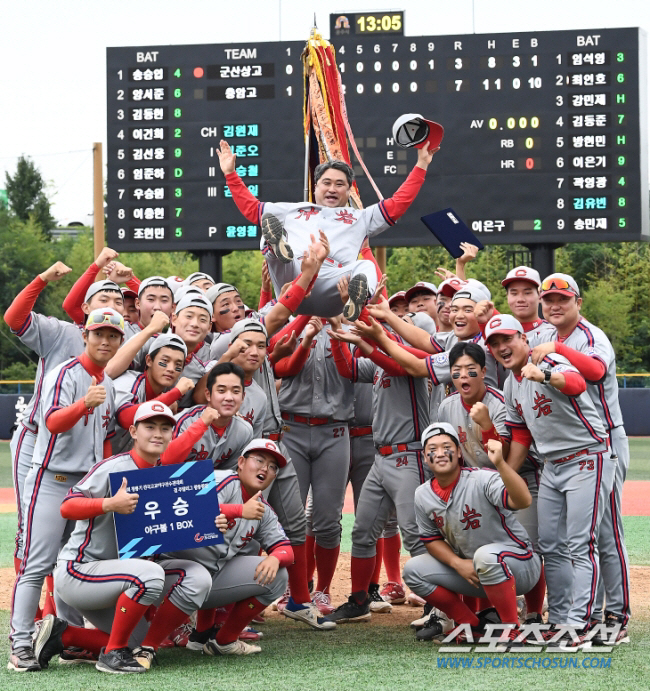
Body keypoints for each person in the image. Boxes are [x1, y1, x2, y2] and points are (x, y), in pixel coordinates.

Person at [34, 401, 213, 674]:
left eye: (165, 428)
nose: (157, 433)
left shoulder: (164, 476)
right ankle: (113, 655)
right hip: (81, 572)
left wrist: (213, 521)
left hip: (124, 576)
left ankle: (65, 635)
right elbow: (67, 506)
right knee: (149, 575)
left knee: (195, 578)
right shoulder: (114, 468)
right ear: (133, 431)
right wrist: (109, 504)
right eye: (149, 426)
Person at [485, 313, 616, 643]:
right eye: (495, 343)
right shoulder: (510, 383)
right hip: (551, 466)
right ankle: (558, 620)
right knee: (551, 546)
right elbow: (520, 435)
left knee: (580, 544)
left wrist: (544, 375)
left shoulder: (549, 358)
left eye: (508, 339)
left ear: (523, 339)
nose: (502, 347)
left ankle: (580, 622)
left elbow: (577, 384)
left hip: (587, 455)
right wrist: (503, 474)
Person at [8, 308, 124, 671]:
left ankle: (69, 635)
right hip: (51, 481)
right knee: (37, 563)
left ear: (120, 341)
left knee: (73, 563)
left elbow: (106, 440)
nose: (105, 341)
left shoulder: (110, 384)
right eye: (98, 334)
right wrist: (82, 405)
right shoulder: (65, 373)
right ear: (85, 336)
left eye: (112, 336)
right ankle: (20, 644)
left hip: (83, 485)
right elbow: (53, 421)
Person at [216, 139, 436, 319]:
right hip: (294, 281)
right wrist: (230, 174)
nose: (332, 189)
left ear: (349, 191)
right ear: (316, 186)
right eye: (326, 182)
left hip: (334, 287)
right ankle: (278, 247)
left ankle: (356, 299)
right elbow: (251, 208)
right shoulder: (291, 210)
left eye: (340, 184)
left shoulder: (359, 217)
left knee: (366, 266)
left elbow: (397, 204)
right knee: (269, 232)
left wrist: (422, 165)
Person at [530, 273, 631, 643]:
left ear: (578, 303)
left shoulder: (589, 336)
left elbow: (595, 370)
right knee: (573, 539)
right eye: (549, 299)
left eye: (563, 299)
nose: (555, 305)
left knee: (606, 534)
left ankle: (616, 616)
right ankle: (578, 614)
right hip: (572, 443)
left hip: (605, 440)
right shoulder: (544, 335)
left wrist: (559, 352)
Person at [402, 423, 541, 644]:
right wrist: (458, 564)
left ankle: (512, 630)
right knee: (413, 570)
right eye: (432, 448)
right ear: (425, 456)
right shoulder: (423, 494)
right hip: (477, 572)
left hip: (520, 567)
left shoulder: (482, 479)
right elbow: (431, 539)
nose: (439, 453)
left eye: (446, 446)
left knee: (485, 556)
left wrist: (501, 465)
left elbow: (522, 500)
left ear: (458, 452)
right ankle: (471, 626)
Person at [166, 439, 295, 655]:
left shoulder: (262, 509)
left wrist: (275, 558)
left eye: (273, 467)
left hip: (205, 581)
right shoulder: (219, 480)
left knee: (278, 574)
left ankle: (221, 640)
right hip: (171, 575)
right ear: (241, 462)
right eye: (260, 460)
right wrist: (237, 510)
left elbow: (286, 549)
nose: (265, 468)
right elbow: (187, 508)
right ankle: (148, 641)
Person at [112, 333, 196, 453]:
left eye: (178, 365)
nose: (171, 369)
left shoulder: (164, 394)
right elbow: (124, 418)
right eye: (165, 361)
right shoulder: (130, 381)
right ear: (149, 360)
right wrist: (175, 394)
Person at [169, 362, 253, 468]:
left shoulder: (244, 431)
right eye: (221, 391)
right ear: (208, 395)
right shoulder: (185, 421)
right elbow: (164, 463)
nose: (229, 398)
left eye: (235, 391)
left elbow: (229, 474)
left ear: (243, 397)